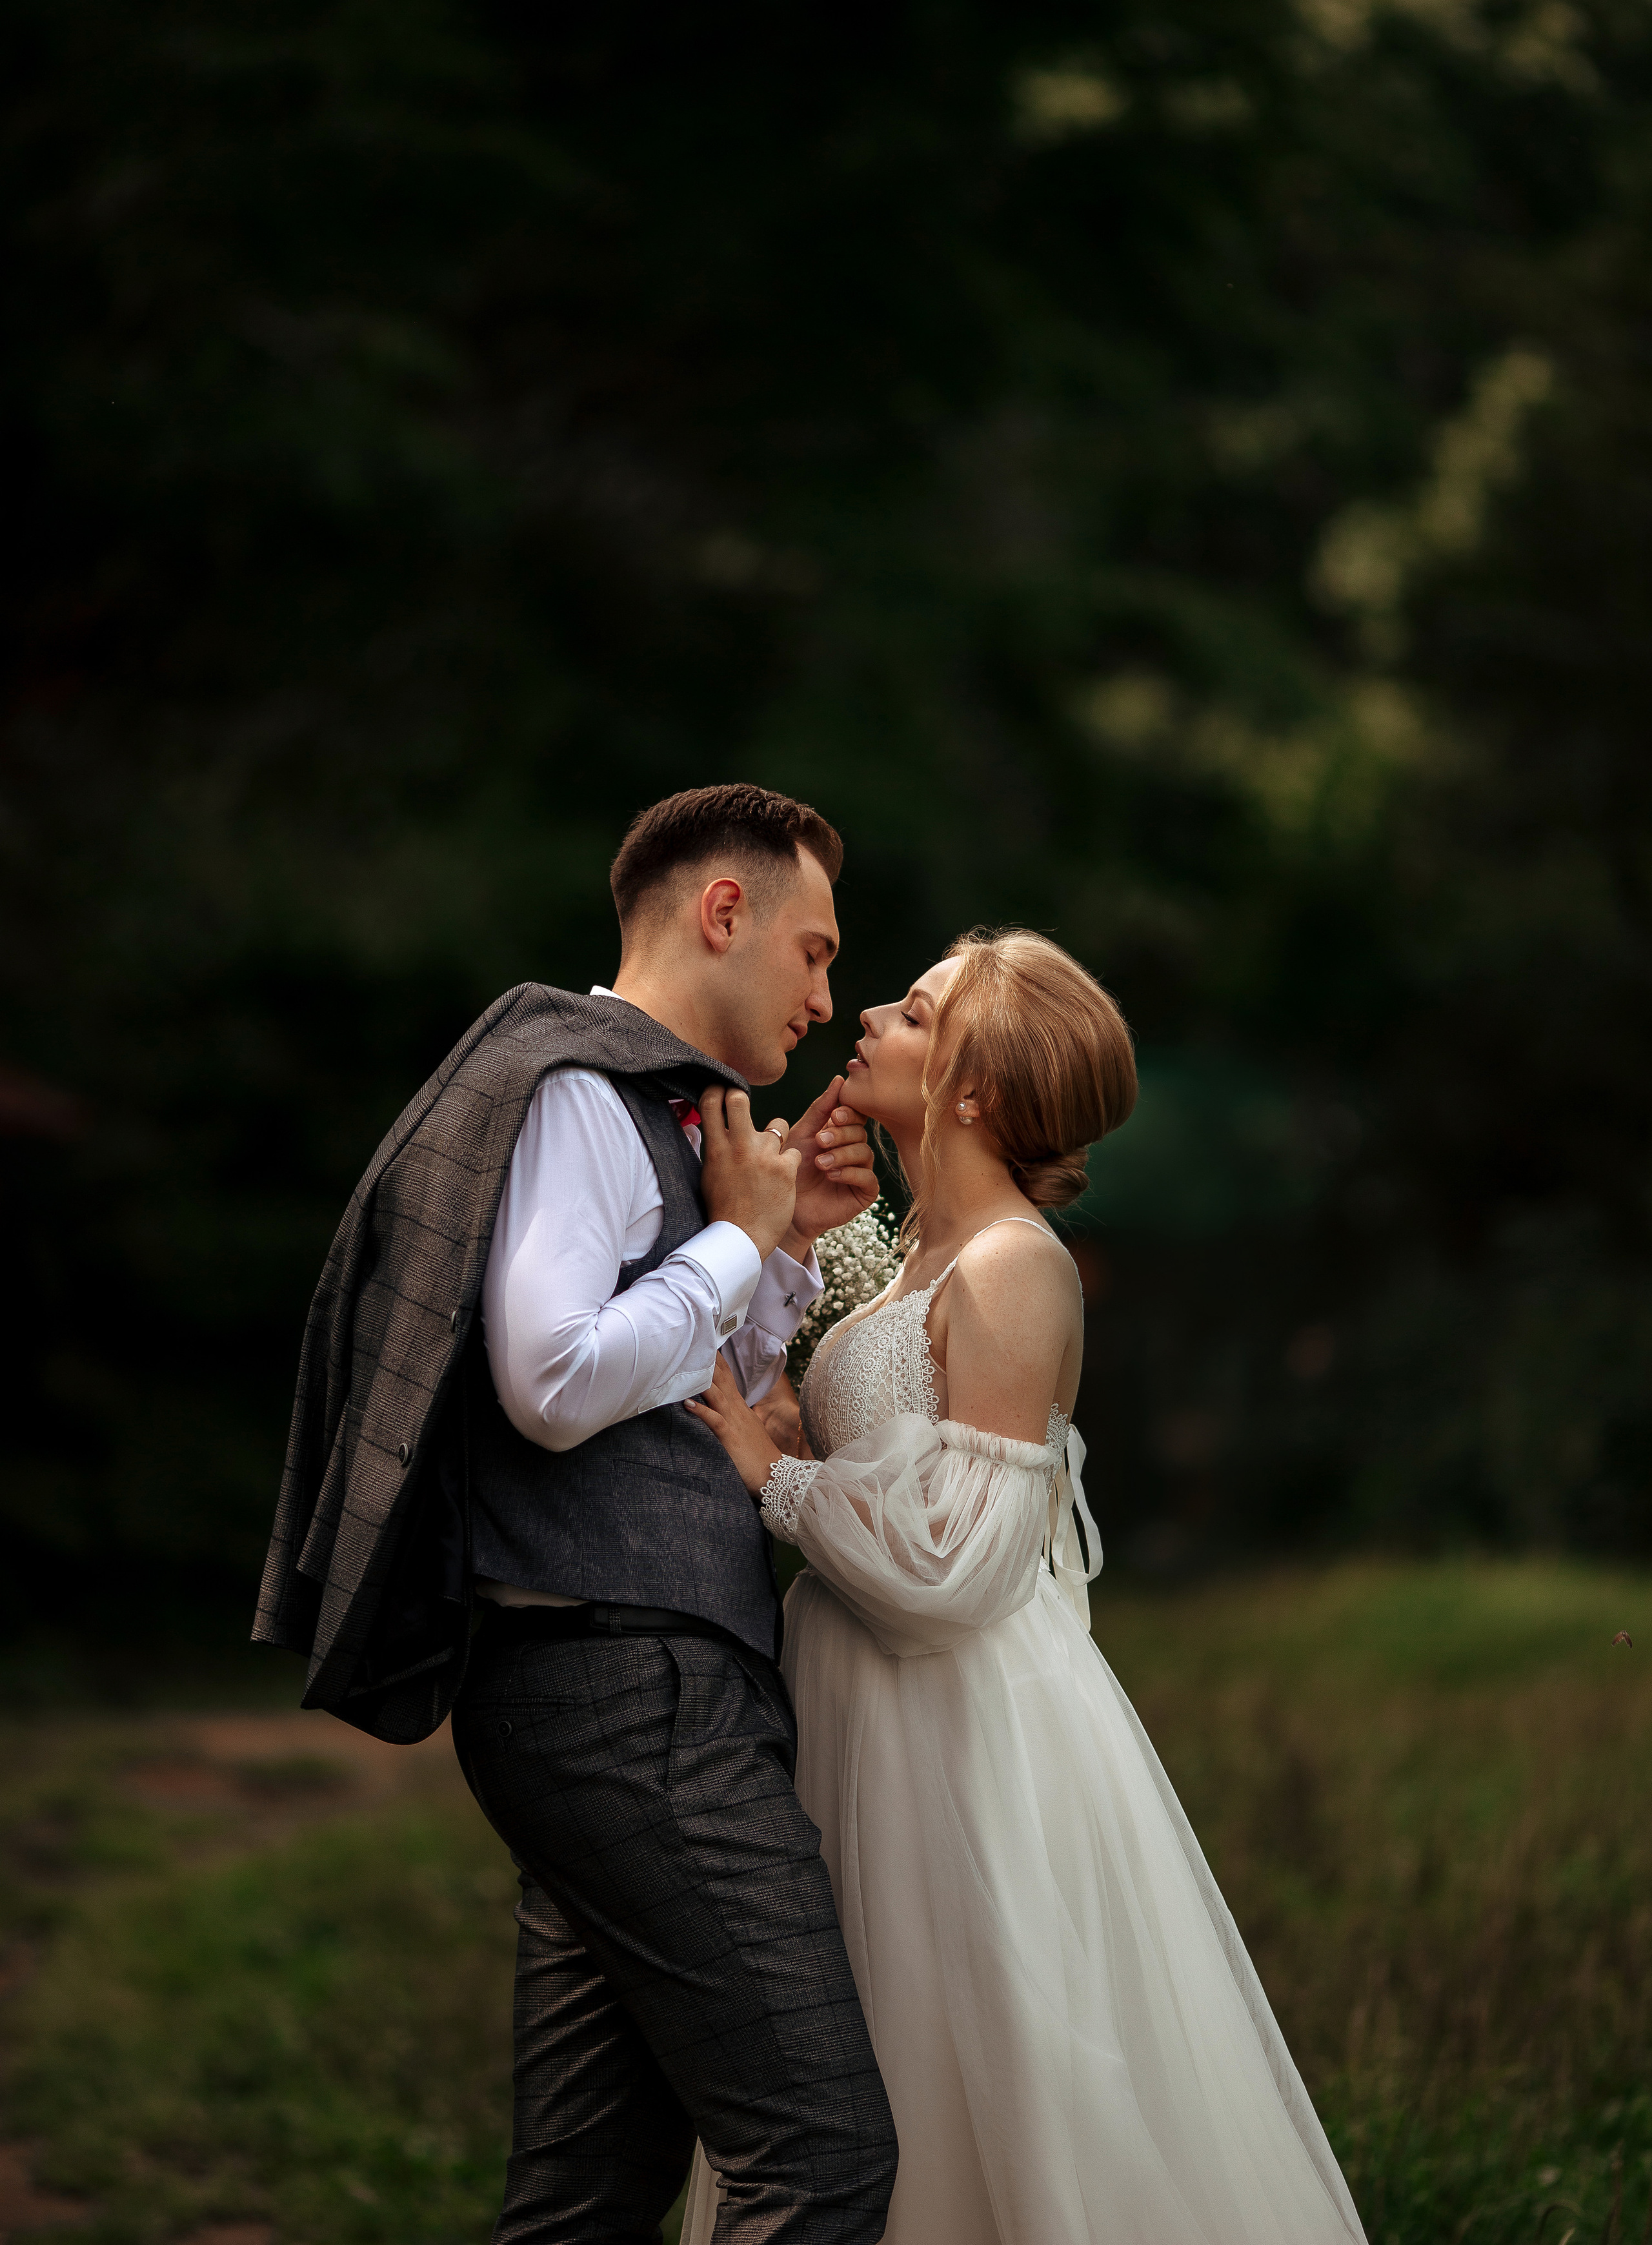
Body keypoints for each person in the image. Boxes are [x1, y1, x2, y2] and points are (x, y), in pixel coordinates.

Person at [256, 783, 898, 2245]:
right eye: (811, 950)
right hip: (627, 1692)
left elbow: (673, 1394)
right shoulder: (577, 1088)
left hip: (616, 1689)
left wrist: (775, 1244)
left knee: (586, 2199)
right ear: (719, 912)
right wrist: (735, 1236)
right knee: (821, 2154)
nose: (825, 992)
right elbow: (550, 1379)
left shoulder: (655, 1109)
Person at [683, 928, 1370, 2245]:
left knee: (980, 2072)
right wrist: (791, 1263)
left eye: (917, 1010)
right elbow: (835, 1458)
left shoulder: (1015, 1264)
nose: (870, 1011)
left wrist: (768, 1478)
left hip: (959, 1740)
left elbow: (954, 1567)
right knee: (863, 2067)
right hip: (866, 1708)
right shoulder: (909, 1263)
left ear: (979, 1087)